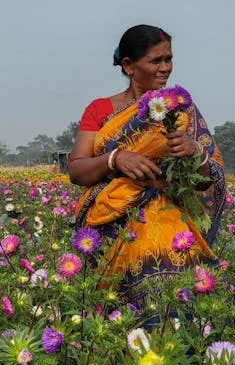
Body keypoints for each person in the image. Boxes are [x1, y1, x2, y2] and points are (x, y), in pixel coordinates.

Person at [68, 24, 226, 305]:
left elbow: (206, 181)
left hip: (171, 222)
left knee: (173, 301)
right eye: (156, 60)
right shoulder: (101, 110)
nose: (165, 68)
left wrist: (195, 152)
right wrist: (115, 158)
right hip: (112, 224)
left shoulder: (180, 107)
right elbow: (77, 171)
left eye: (169, 59)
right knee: (118, 313)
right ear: (129, 65)